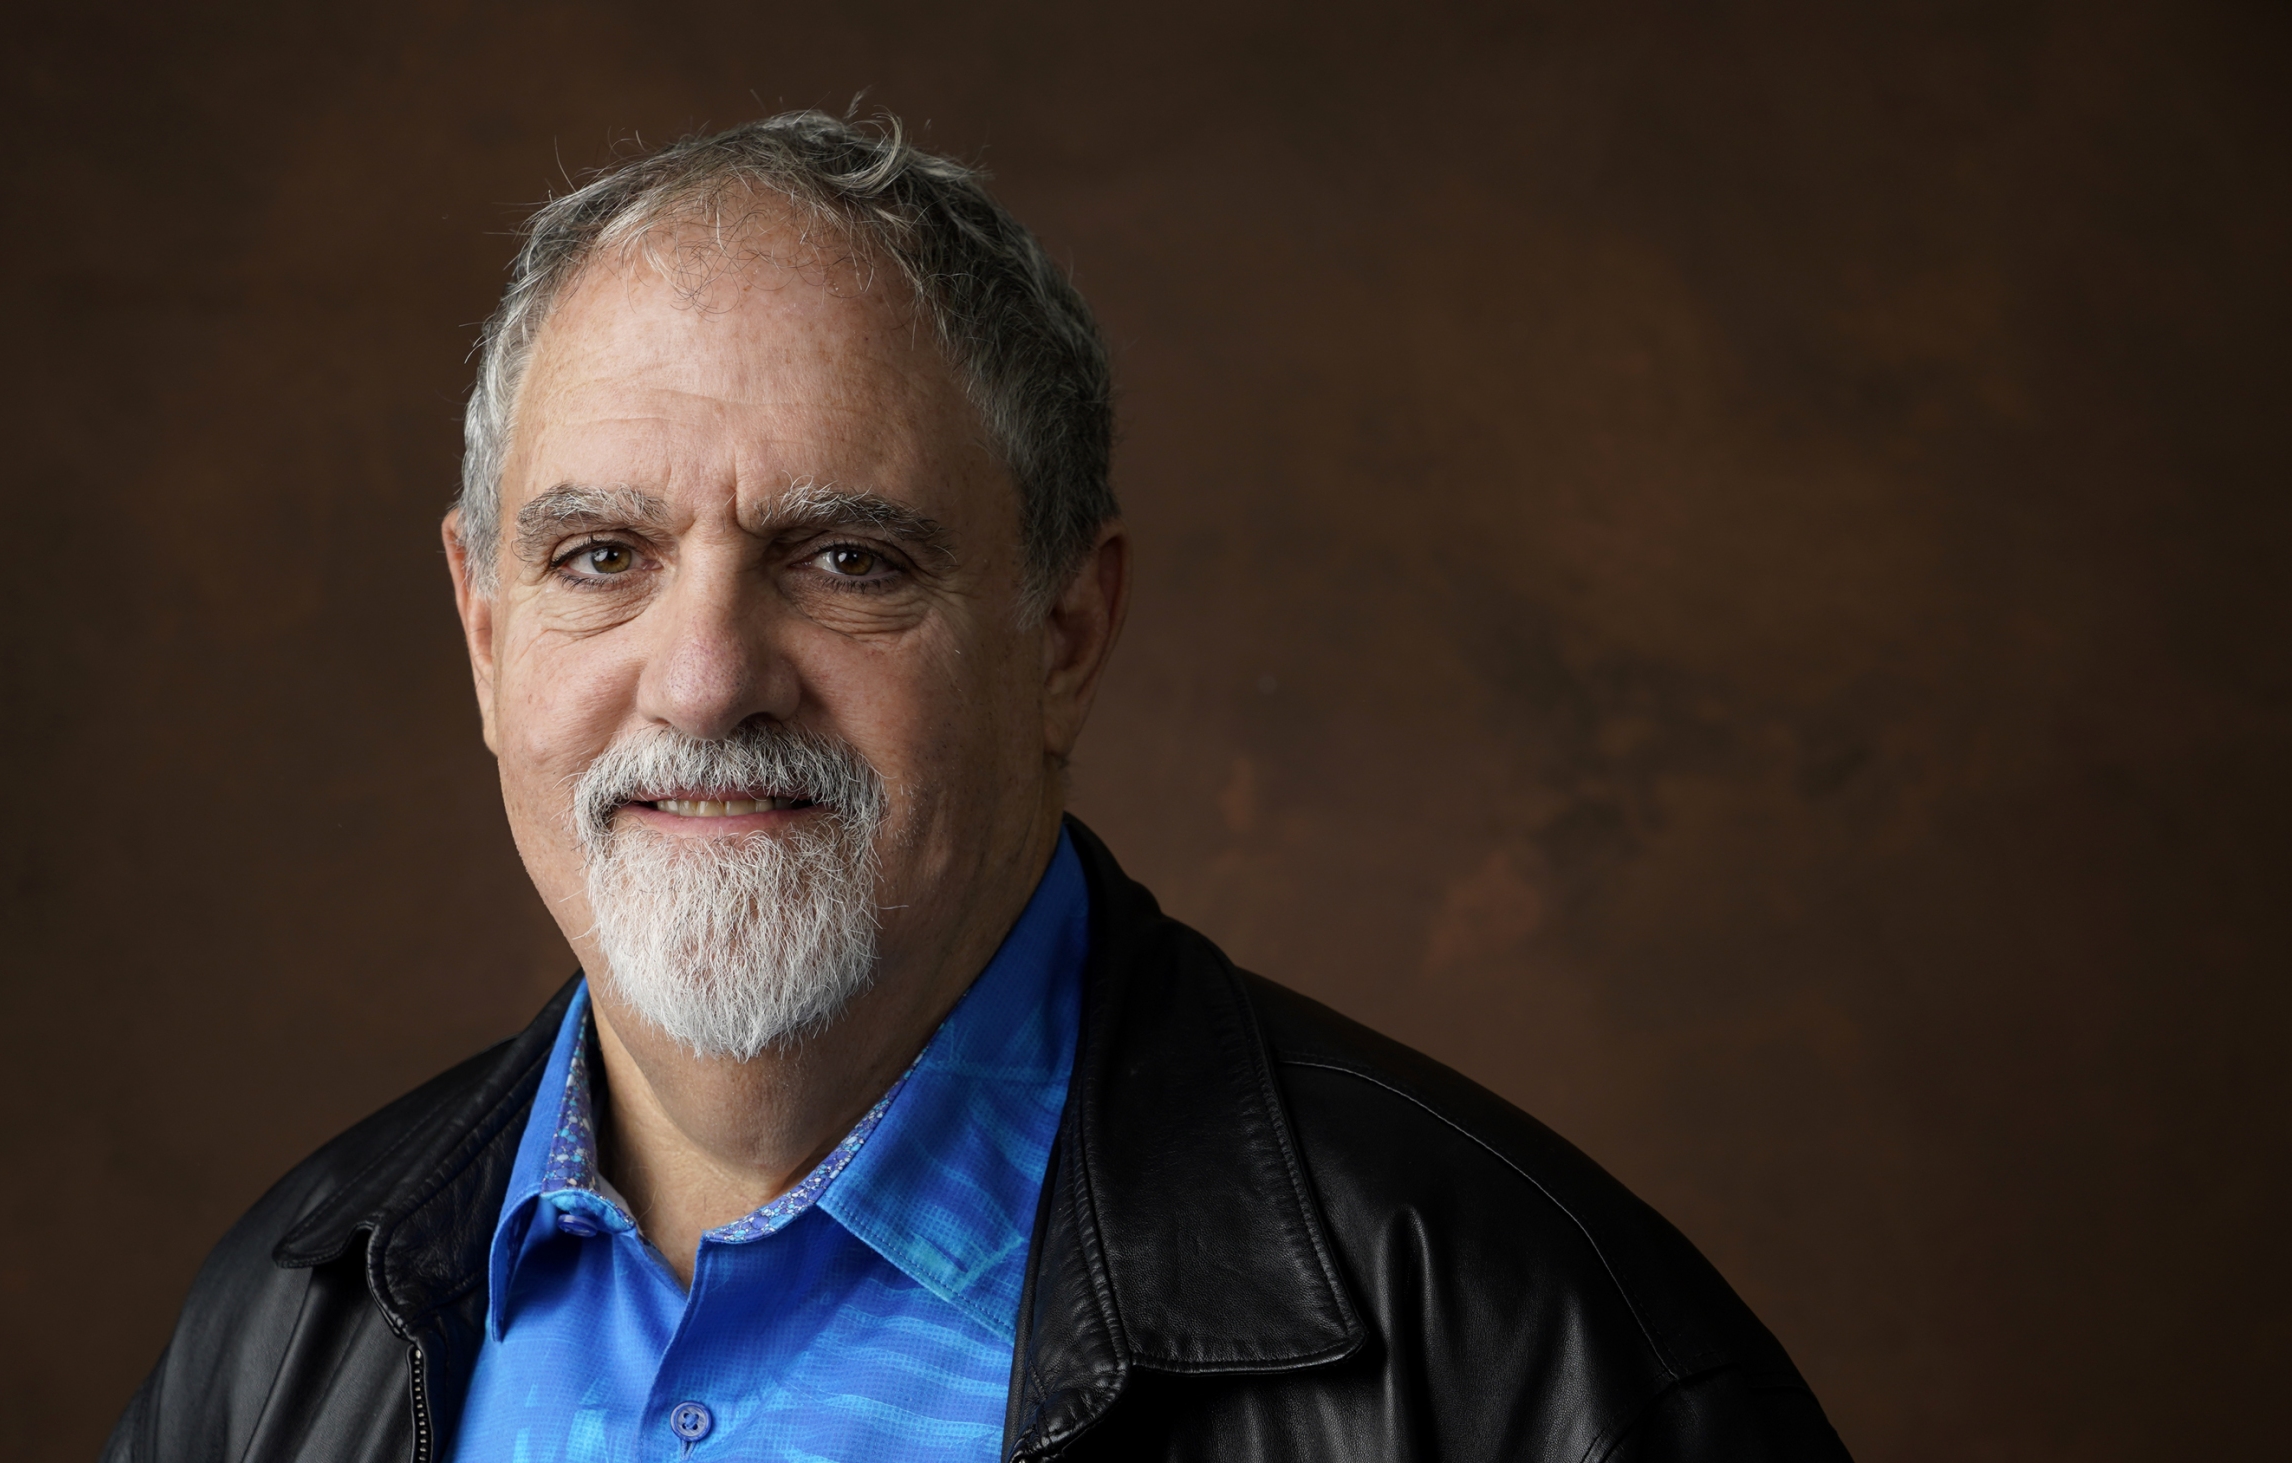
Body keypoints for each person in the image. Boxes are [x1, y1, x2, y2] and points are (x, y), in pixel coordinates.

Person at [103, 110, 1849, 1463]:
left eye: (848, 558)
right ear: (486, 639)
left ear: (1066, 634)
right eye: (600, 556)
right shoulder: (275, 1340)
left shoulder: (1533, 1362)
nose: (706, 678)